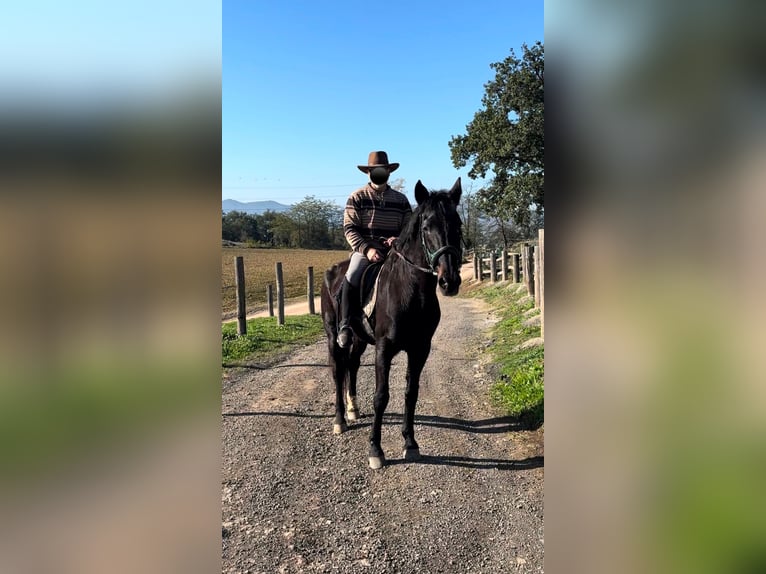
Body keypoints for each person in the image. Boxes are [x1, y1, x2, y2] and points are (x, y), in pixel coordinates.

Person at [337, 151, 412, 348]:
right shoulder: (357, 197)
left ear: (388, 172)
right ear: (368, 173)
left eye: (382, 170)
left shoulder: (401, 200)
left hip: (395, 251)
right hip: (365, 251)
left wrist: (398, 239)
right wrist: (367, 249)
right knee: (352, 275)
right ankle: (345, 324)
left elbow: (408, 229)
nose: (379, 173)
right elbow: (350, 228)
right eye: (374, 171)